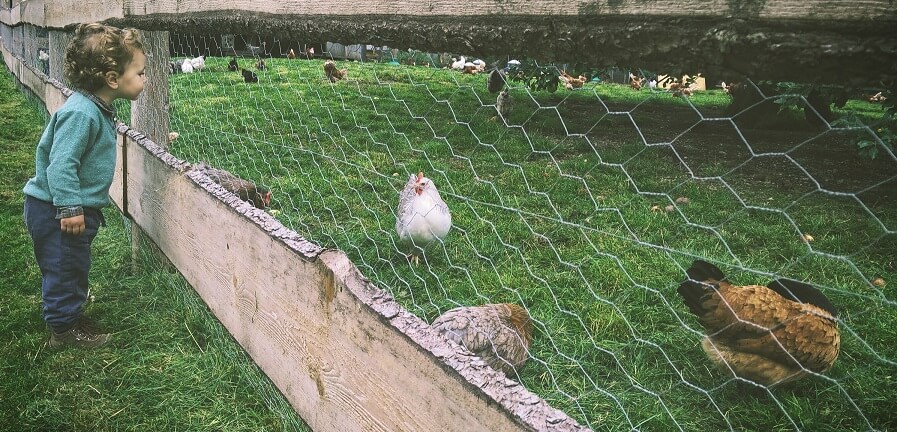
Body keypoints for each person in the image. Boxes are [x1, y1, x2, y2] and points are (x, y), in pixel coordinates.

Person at [23, 23, 146, 348]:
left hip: (66, 208)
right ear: (112, 79)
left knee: (70, 266)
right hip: (57, 210)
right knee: (65, 267)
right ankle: (64, 332)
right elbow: (61, 164)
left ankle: (67, 315)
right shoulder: (83, 114)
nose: (144, 79)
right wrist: (70, 208)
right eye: (140, 72)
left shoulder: (95, 109)